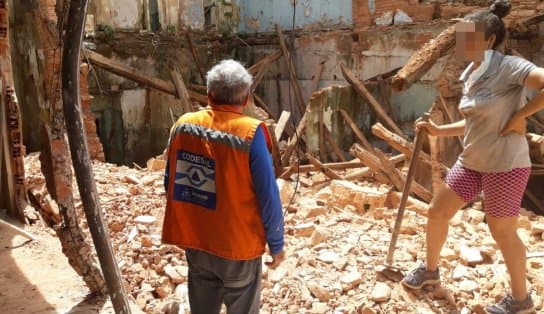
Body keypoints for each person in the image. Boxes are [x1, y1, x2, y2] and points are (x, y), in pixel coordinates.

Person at [401, 1, 544, 313]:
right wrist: (438, 131)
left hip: (505, 165)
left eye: (468, 37)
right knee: (437, 212)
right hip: (473, 163)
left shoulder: (508, 67)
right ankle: (430, 271)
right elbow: (475, 120)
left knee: (502, 231)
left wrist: (521, 115)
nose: (461, 43)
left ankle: (522, 299)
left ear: (488, 40)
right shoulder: (471, 72)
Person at [161, 59, 285, 314]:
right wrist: (277, 244)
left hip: (197, 243)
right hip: (237, 248)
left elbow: (169, 182)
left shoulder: (183, 125)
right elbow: (268, 196)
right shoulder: (250, 133)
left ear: (209, 94)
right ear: (248, 97)